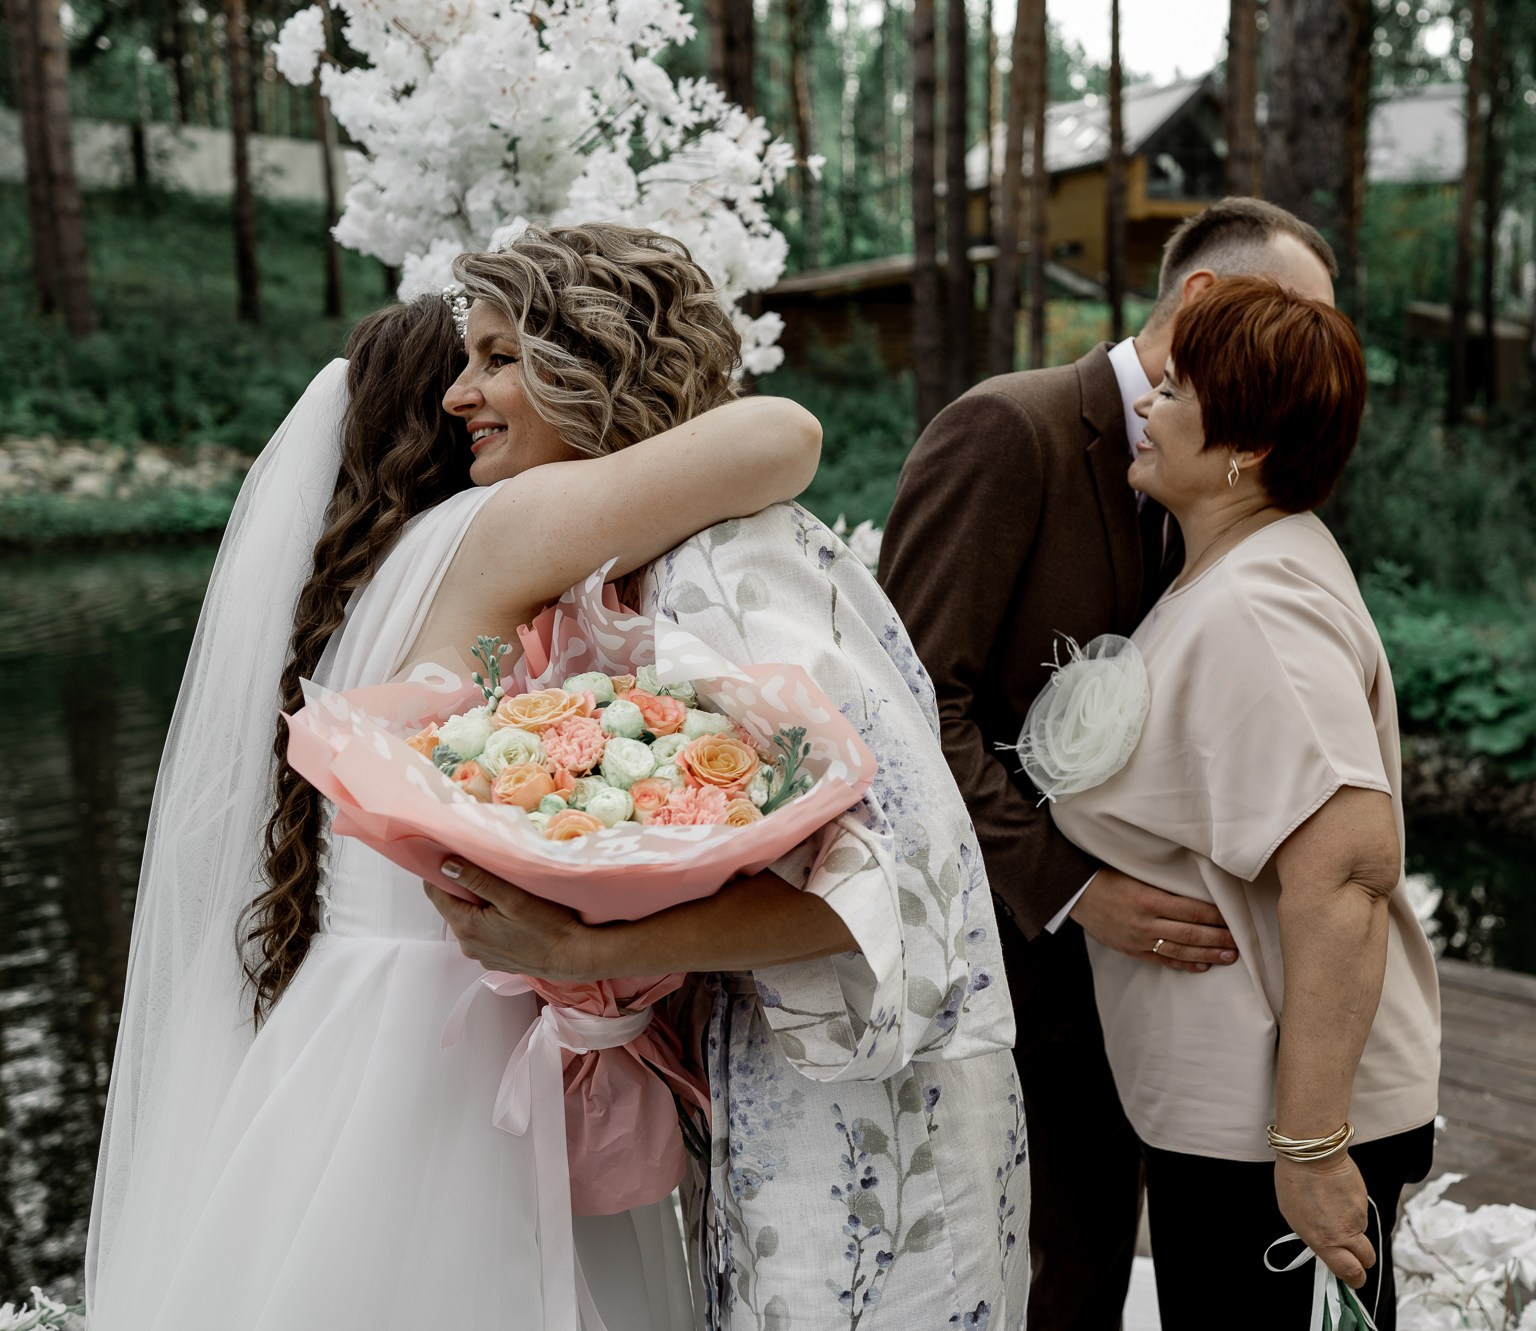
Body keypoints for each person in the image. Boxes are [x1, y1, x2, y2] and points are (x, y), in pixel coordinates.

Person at [87, 230, 823, 1330]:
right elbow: (782, 433)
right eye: (465, 365)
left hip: (349, 1030)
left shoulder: (373, 576)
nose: (465, 393)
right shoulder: (490, 526)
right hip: (451, 1051)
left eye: (497, 361)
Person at [424, 226, 1030, 1330]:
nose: (459, 390)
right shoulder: (653, 567)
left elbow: (890, 888)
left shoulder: (734, 572)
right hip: (776, 1075)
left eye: (497, 355)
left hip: (870, 1118)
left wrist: (589, 950)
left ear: (595, 360)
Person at [878, 197, 1342, 1330]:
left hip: (1169, 991)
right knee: (1027, 1263)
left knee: (1112, 1256)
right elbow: (906, 701)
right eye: (1291, 318)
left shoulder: (1243, 466)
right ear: (1200, 302)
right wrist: (1075, 890)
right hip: (1015, 960)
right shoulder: (1010, 429)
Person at [1021, 277, 1438, 1329]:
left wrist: (1308, 1148)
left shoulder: (1263, 605)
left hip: (1274, 1135)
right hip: (1226, 1115)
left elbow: (1343, 867)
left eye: (1173, 389)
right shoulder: (1225, 569)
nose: (1147, 406)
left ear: (1244, 442)